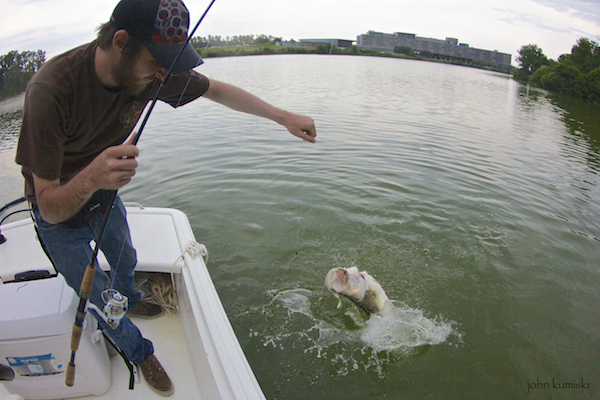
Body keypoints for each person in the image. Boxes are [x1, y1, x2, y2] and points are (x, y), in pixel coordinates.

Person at [15, 0, 316, 396]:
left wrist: (283, 117)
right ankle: (139, 353)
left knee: (126, 261)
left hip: (105, 198)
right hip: (60, 216)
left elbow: (218, 91)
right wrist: (90, 177)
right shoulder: (51, 89)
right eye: (158, 61)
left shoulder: (153, 74)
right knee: (100, 297)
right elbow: (49, 206)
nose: (164, 73)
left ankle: (131, 297)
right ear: (120, 42)